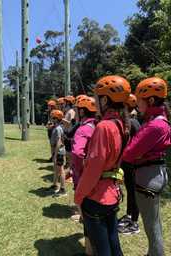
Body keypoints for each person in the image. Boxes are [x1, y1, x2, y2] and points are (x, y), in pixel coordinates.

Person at [75, 75, 131, 256]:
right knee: (114, 241)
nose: (95, 102)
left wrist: (79, 195)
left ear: (105, 99)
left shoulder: (104, 126)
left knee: (102, 248)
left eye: (97, 98)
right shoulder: (122, 124)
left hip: (97, 196)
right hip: (112, 193)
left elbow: (93, 168)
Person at [122, 77, 171, 256]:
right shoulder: (158, 120)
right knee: (153, 223)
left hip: (147, 177)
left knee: (151, 226)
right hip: (153, 173)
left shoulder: (155, 125)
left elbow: (129, 153)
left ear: (150, 100)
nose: (137, 105)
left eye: (140, 101)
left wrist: (136, 152)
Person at [71, 95, 97, 256]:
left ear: (82, 111)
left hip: (83, 178)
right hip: (99, 177)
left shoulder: (83, 129)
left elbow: (77, 153)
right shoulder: (99, 126)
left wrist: (80, 171)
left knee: (87, 217)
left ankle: (89, 251)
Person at [118, 94, 141, 235]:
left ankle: (134, 222)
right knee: (129, 189)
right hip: (126, 163)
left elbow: (138, 143)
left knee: (133, 192)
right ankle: (128, 214)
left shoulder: (133, 122)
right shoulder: (127, 121)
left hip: (133, 164)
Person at [47, 109, 67, 197]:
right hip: (56, 151)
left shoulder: (58, 128)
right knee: (56, 169)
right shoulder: (56, 127)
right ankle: (55, 185)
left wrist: (55, 154)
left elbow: (59, 142)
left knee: (61, 170)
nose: (51, 119)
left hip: (59, 152)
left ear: (56, 118)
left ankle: (63, 189)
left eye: (53, 118)